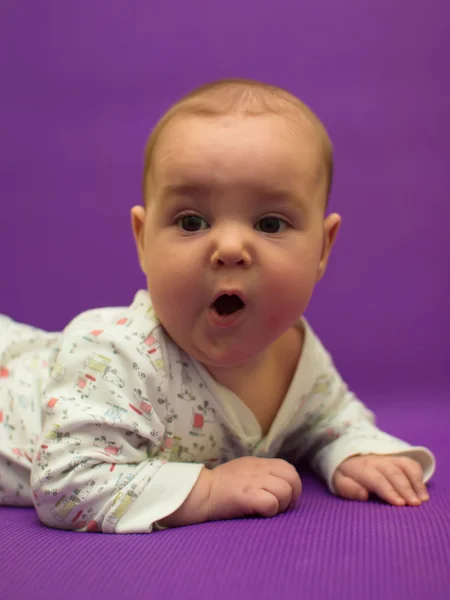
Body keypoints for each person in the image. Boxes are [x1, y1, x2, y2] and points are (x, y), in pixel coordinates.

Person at [0, 78, 435, 533]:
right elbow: (64, 482)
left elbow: (328, 415)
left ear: (323, 248)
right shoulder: (119, 354)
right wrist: (207, 491)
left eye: (270, 222)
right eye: (192, 221)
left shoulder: (296, 354)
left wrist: (353, 449)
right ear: (142, 240)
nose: (229, 247)